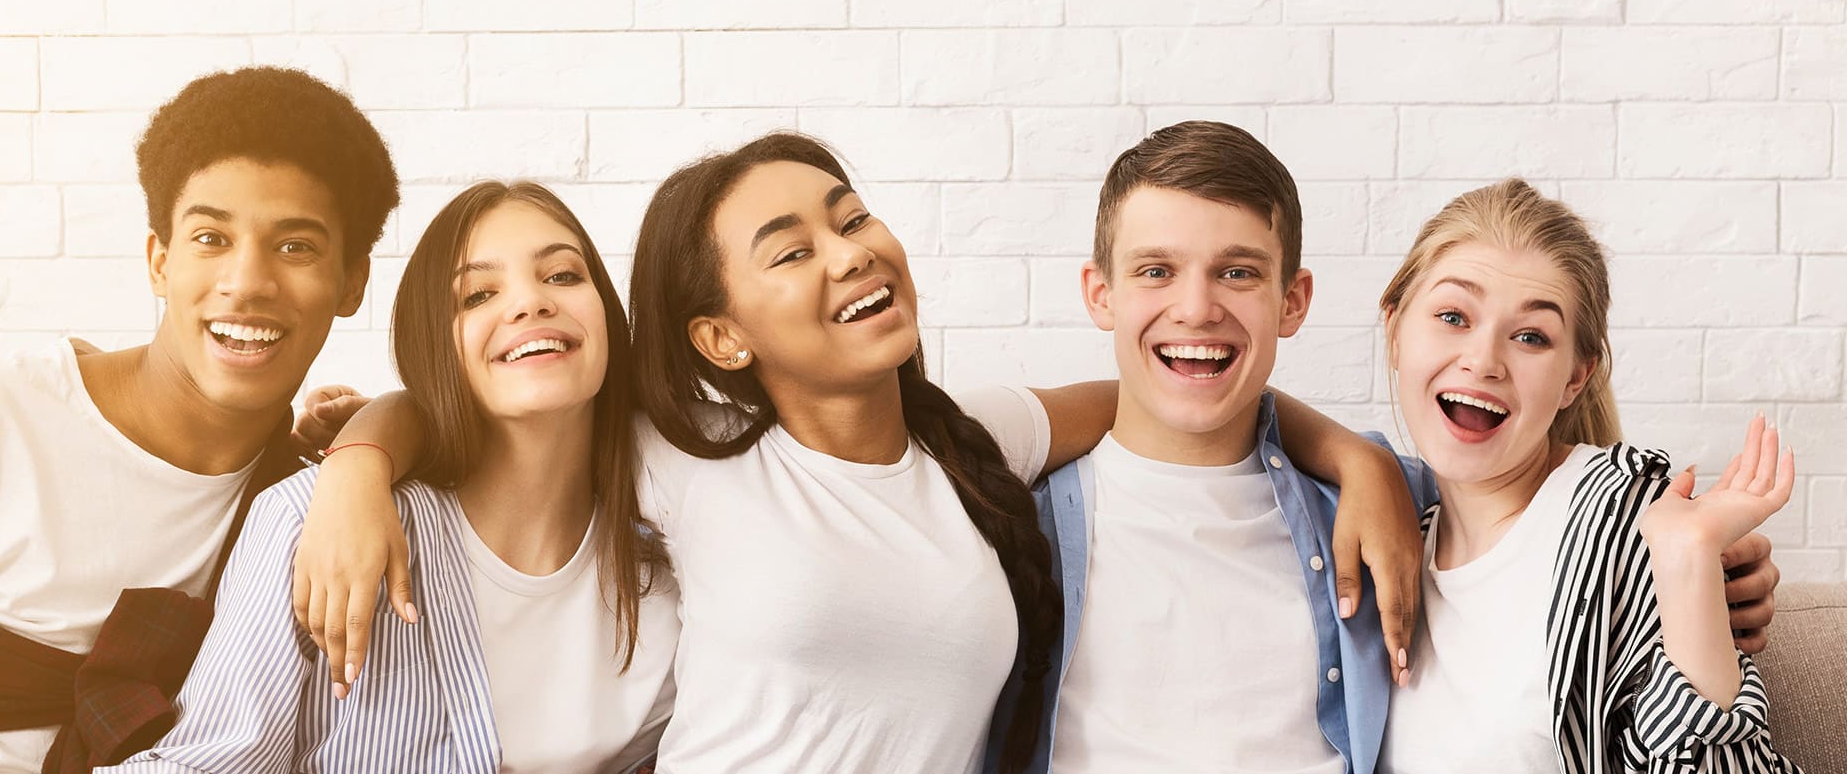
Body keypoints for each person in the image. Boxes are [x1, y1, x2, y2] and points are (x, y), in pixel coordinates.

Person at [289, 133, 1422, 773]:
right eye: (788, 251)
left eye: (850, 216)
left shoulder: (968, 442)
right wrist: (355, 462)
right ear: (720, 335)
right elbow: (493, 393)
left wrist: (1356, 459)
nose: (847, 253)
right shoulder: (689, 451)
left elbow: (1170, 392)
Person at [991, 123, 1783, 774]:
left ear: (1293, 300)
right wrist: (1356, 456)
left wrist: (1691, 571)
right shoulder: (1011, 522)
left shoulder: (1408, 510)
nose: (1196, 308)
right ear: (1101, 293)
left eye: (1237, 272)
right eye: (1156, 270)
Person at [0, 66, 399, 773]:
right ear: (159, 261)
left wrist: (367, 451)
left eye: (295, 246)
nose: (247, 281)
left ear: (352, 281)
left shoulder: (290, 493)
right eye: (210, 238)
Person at [106, 181, 677, 774]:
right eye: (479, 293)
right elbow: (207, 764)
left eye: (562, 276)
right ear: (435, 347)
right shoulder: (312, 523)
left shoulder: (676, 561)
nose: (530, 303)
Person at [1374, 180, 1800, 773]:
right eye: (1452, 316)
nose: (1484, 360)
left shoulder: (1624, 519)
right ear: (1395, 329)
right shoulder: (1393, 533)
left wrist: (1686, 561)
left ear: (1576, 377)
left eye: (1531, 337)